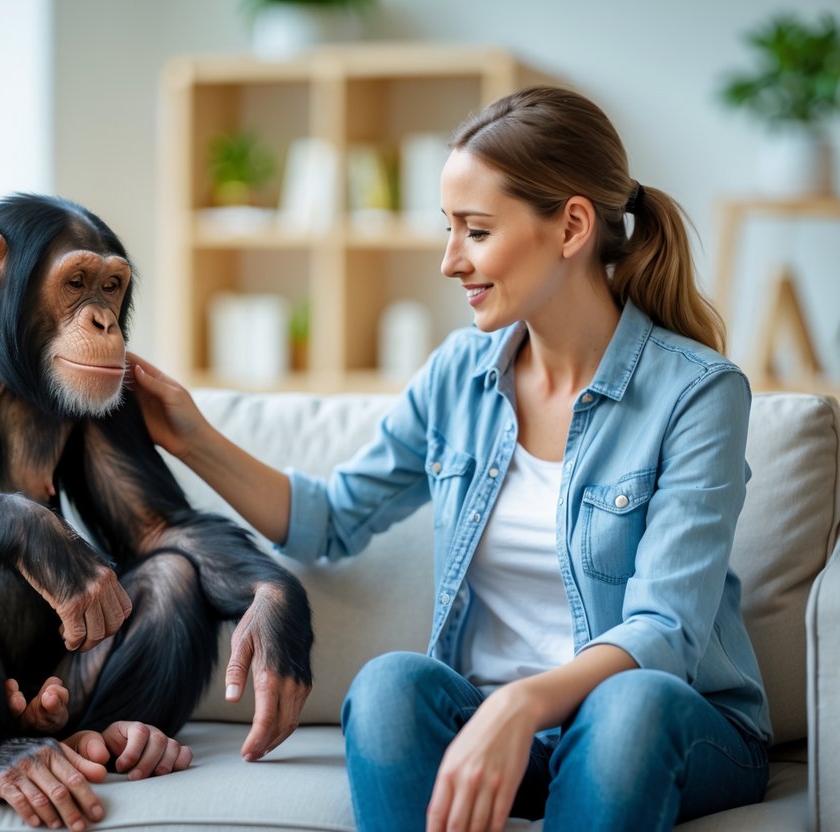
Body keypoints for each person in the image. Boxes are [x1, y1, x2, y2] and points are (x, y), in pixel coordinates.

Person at [127, 85, 771, 832]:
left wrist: (517, 703)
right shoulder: (456, 376)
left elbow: (664, 631)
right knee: (389, 686)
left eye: (474, 231)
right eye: (448, 229)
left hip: (665, 729)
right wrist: (189, 435)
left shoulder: (697, 393)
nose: (447, 261)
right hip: (509, 736)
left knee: (628, 705)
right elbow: (328, 520)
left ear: (569, 226)